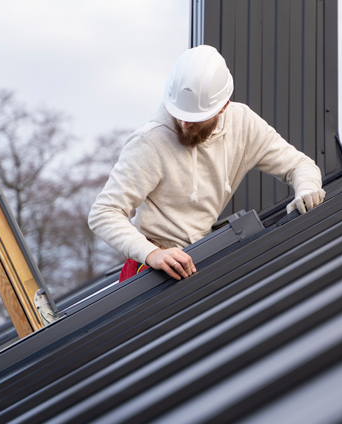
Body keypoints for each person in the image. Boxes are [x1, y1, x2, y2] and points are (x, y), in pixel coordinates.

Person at [88, 45, 325, 282]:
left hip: (198, 259)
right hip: (149, 269)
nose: (184, 124)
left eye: (194, 118)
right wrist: (153, 253)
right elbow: (104, 212)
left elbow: (299, 165)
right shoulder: (150, 142)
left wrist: (307, 189)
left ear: (223, 106)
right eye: (178, 114)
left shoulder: (243, 124)